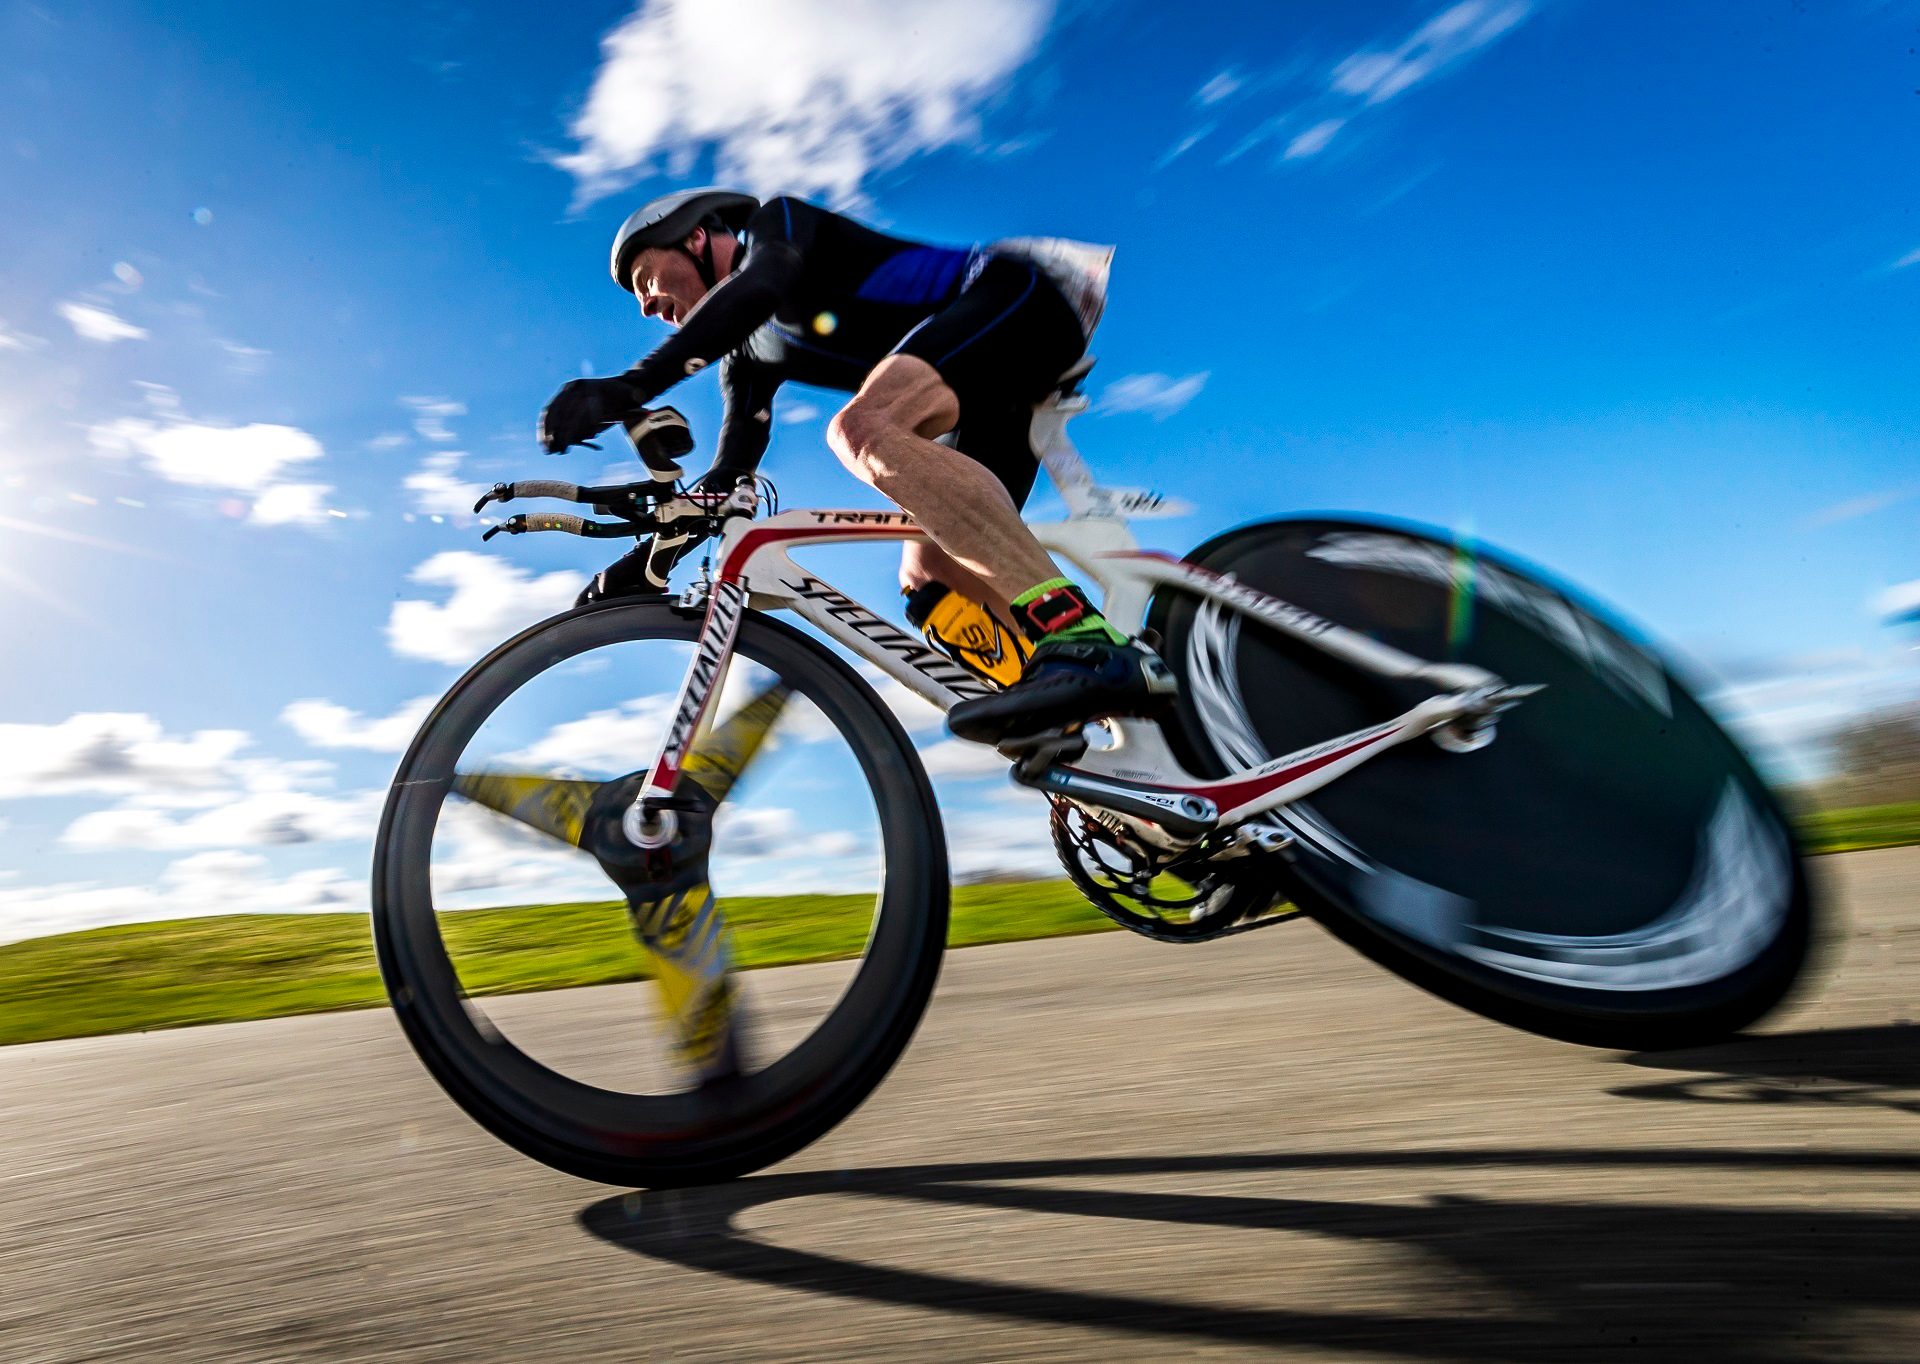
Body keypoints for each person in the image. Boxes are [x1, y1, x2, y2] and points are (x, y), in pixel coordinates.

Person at [538, 187, 1176, 745]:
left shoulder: (777, 228)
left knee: (862, 431)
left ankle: (1082, 639)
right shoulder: (746, 358)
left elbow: (762, 286)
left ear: (698, 238)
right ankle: (1101, 735)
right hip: (986, 396)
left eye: (647, 277)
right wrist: (647, 564)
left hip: (1022, 297)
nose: (646, 305)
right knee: (929, 578)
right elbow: (726, 483)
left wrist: (631, 386)